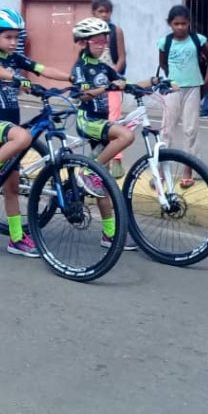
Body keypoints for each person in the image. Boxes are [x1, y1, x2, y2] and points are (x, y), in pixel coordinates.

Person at [0, 8, 72, 257]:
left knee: (12, 188)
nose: (14, 42)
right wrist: (19, 79)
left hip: (9, 127)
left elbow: (43, 69)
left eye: (17, 37)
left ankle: (16, 239)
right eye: (9, 37)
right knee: (24, 137)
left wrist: (72, 78)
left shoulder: (15, 58)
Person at [71, 17, 161, 249]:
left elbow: (127, 84)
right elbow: (80, 95)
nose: (102, 45)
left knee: (103, 182)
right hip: (88, 120)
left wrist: (154, 81)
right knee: (126, 136)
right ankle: (89, 173)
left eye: (104, 40)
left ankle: (109, 234)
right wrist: (106, 87)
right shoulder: (80, 68)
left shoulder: (103, 67)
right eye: (97, 41)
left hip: (101, 122)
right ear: (83, 43)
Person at [157, 5, 208, 188]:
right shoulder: (165, 42)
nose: (180, 27)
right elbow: (163, 64)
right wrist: (173, 79)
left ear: (189, 23)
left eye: (184, 23)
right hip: (172, 89)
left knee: (190, 130)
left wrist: (206, 78)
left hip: (193, 88)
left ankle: (188, 170)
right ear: (170, 24)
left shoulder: (198, 39)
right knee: (166, 130)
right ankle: (161, 172)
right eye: (176, 24)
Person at [91, 0, 127, 178]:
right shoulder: (88, 33)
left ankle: (117, 160)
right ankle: (100, 161)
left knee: (114, 121)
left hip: (111, 85)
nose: (104, 15)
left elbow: (121, 57)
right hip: (93, 85)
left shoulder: (115, 31)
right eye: (100, 11)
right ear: (94, 13)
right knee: (97, 121)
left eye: (107, 11)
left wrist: (113, 77)